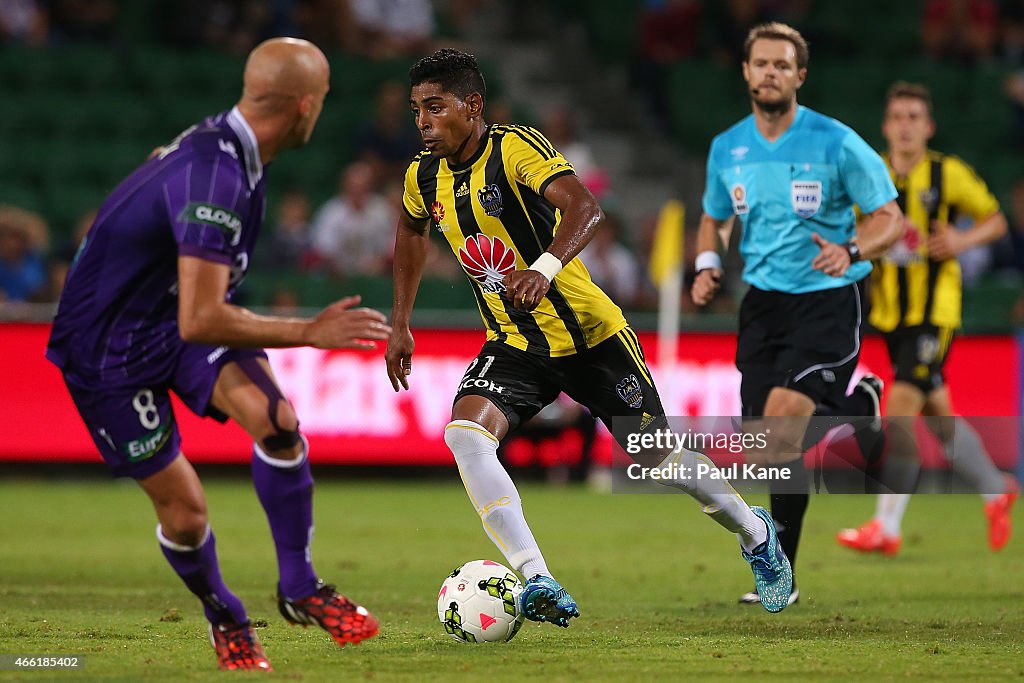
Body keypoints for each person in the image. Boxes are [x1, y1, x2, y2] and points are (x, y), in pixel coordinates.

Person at [386, 48, 795, 623]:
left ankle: (756, 534)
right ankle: (536, 578)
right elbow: (409, 231)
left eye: (435, 107)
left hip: (591, 338)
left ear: (472, 105)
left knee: (662, 462)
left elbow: (584, 205)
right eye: (416, 111)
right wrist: (401, 322)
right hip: (516, 343)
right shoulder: (423, 176)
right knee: (466, 436)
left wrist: (545, 267)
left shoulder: (515, 148)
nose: (423, 122)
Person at [45, 38, 390, 672]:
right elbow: (202, 317)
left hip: (169, 317)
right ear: (305, 106)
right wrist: (309, 332)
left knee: (278, 422)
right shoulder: (221, 176)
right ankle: (224, 613)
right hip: (108, 350)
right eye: (325, 98)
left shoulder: (230, 151)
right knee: (186, 514)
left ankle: (301, 587)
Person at [691, 22, 904, 606]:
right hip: (762, 304)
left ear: (799, 76)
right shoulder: (727, 147)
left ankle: (778, 573)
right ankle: (859, 404)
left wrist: (853, 249)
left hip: (827, 297)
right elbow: (713, 216)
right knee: (768, 445)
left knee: (784, 424)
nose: (770, 73)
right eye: (762, 63)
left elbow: (891, 217)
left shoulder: (835, 142)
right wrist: (708, 262)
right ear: (746, 71)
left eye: (783, 65)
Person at [836, 82, 1018, 556]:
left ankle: (886, 527)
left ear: (928, 126)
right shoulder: (870, 172)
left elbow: (996, 220)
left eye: (914, 116)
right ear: (886, 125)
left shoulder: (947, 172)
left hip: (935, 313)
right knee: (941, 420)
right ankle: (996, 491)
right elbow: (848, 227)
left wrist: (960, 241)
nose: (905, 125)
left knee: (898, 412)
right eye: (898, 116)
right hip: (892, 315)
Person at [310, 160, 396, 277]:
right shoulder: (331, 212)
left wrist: (381, 261)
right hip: (339, 277)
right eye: (354, 186)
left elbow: (394, 243)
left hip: (376, 275)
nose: (358, 191)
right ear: (345, 185)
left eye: (363, 186)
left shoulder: (382, 210)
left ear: (370, 187)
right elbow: (322, 248)